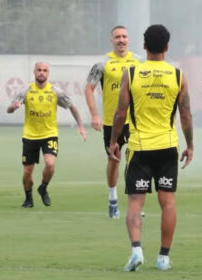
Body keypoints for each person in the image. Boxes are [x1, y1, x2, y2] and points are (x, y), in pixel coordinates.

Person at [109, 24, 193, 271]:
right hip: (168, 146)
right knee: (167, 202)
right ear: (167, 47)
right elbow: (186, 115)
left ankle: (136, 250)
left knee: (136, 201)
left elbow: (120, 113)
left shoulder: (131, 74)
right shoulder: (178, 75)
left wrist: (114, 141)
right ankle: (163, 257)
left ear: (143, 46)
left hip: (139, 147)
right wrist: (190, 145)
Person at [7, 62, 86, 208]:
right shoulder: (26, 91)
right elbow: (9, 109)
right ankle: (28, 198)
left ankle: (43, 187)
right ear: (34, 72)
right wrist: (13, 107)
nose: (41, 73)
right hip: (30, 136)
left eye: (45, 70)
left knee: (50, 164)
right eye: (39, 70)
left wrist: (80, 126)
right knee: (27, 171)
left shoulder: (55, 92)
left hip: (49, 134)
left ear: (48, 73)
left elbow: (72, 107)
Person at [85, 25, 140, 219]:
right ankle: (112, 200)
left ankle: (135, 204)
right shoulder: (103, 64)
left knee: (136, 161)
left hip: (134, 121)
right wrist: (94, 115)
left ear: (129, 39)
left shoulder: (138, 62)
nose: (121, 40)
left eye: (124, 36)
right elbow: (88, 89)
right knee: (114, 160)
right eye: (117, 37)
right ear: (111, 40)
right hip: (111, 121)